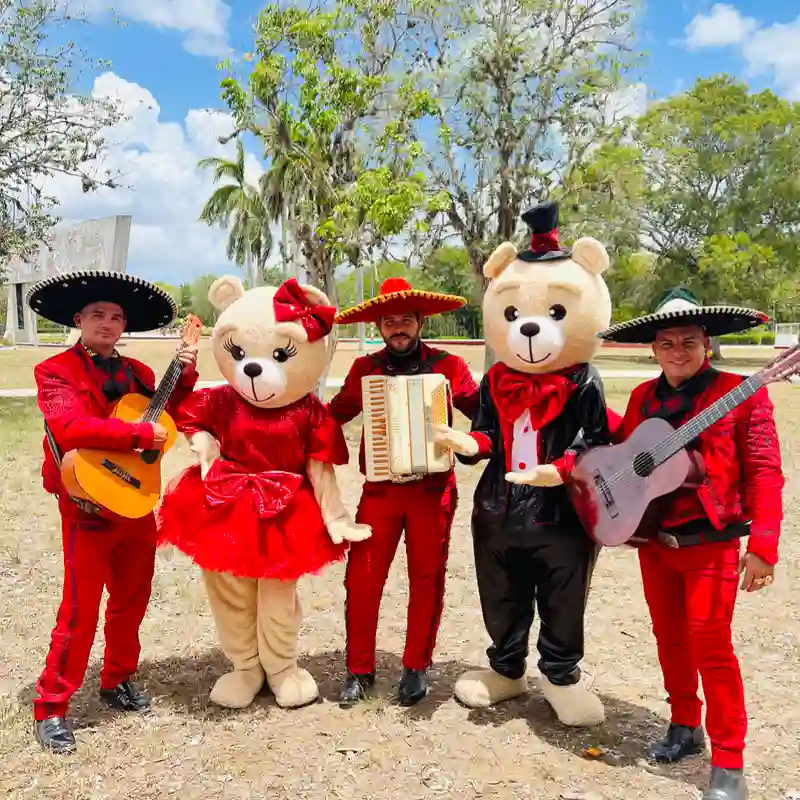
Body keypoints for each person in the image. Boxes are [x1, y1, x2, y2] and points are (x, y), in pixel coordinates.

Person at [599, 288, 784, 800]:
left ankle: (729, 764)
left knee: (713, 648)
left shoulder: (742, 391)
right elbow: (629, 453)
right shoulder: (641, 396)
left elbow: (766, 472)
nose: (677, 351)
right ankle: (684, 724)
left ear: (707, 343)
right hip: (655, 539)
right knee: (669, 639)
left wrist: (764, 545)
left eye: (689, 341)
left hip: (712, 545)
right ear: (654, 348)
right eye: (666, 342)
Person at [26, 270, 199, 754]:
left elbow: (163, 414)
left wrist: (183, 371)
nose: (108, 322)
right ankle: (52, 707)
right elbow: (69, 424)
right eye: (98, 314)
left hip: (135, 503)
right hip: (85, 506)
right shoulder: (55, 371)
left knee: (131, 599)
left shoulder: (141, 375)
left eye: (117, 316)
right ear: (79, 319)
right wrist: (137, 437)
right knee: (80, 610)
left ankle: (116, 679)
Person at [329, 277, 479, 706]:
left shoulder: (449, 366)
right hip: (380, 490)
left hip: (433, 491)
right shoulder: (364, 369)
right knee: (362, 579)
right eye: (389, 321)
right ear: (379, 326)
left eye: (406, 320)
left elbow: (484, 413)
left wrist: (475, 444)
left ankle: (416, 667)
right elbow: (334, 414)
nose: (398, 328)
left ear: (419, 322)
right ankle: (359, 669)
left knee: (427, 579)